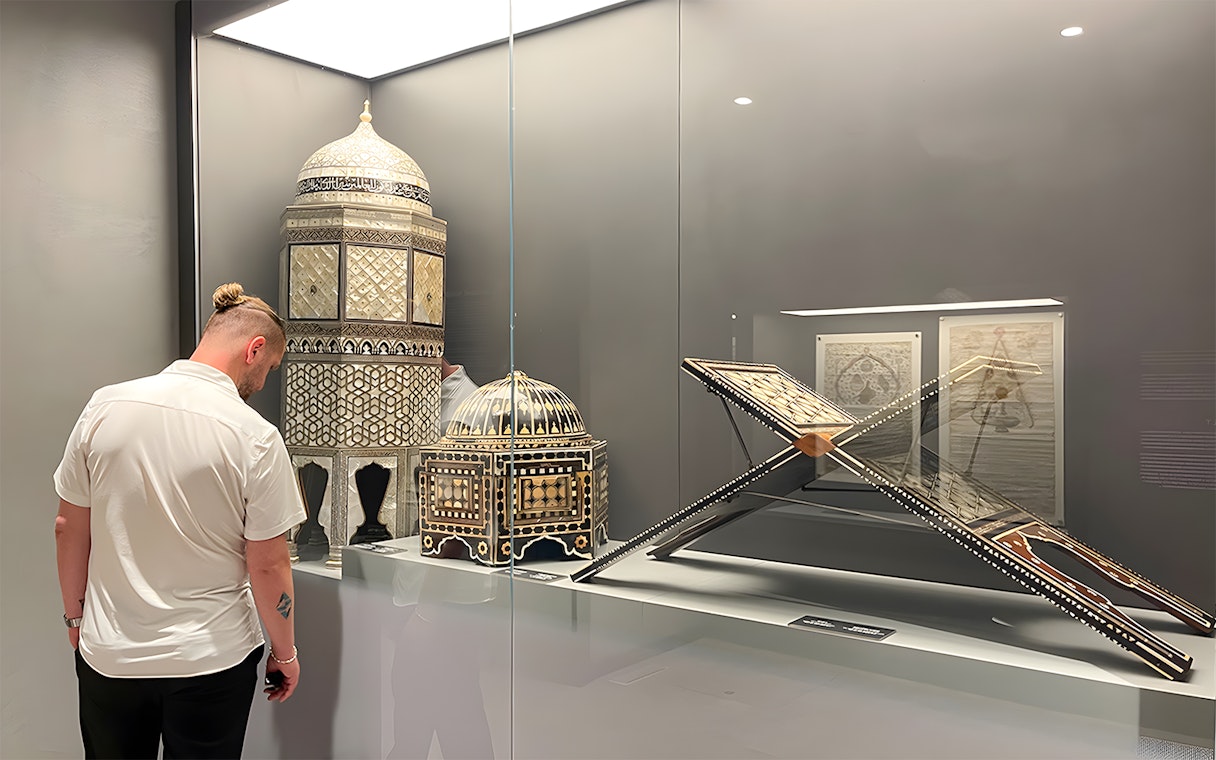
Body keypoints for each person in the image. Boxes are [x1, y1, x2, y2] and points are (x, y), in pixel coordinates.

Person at [53, 282, 307, 759]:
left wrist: (75, 618)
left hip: (111, 653)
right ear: (254, 349)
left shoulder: (104, 406)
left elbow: (68, 527)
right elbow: (269, 566)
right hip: (211, 659)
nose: (264, 380)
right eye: (270, 368)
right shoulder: (255, 436)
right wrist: (285, 653)